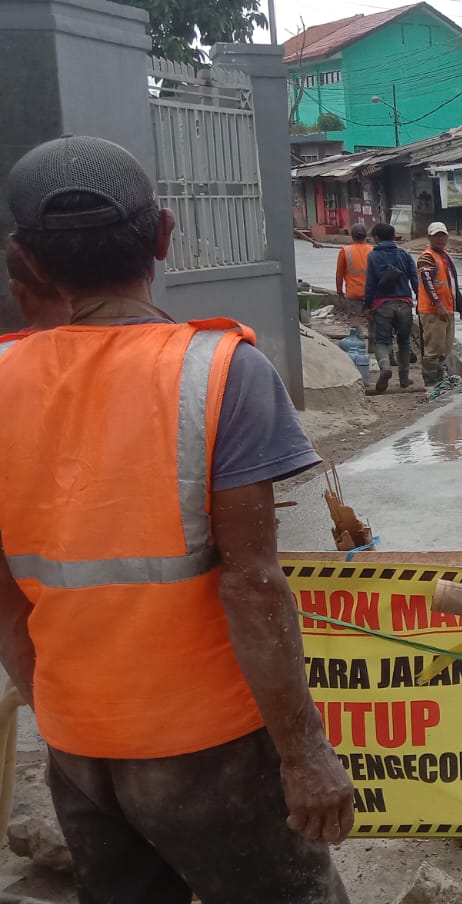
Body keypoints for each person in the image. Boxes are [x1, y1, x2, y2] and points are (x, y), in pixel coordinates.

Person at [0, 135, 353, 902]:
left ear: (24, 256)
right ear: (163, 234)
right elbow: (254, 585)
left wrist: (53, 713)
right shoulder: (219, 372)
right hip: (206, 748)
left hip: (78, 748)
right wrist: (304, 755)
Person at [363, 221, 417, 394]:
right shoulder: (405, 254)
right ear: (394, 236)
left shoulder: (373, 256)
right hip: (404, 304)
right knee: (404, 341)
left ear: (376, 238)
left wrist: (368, 306)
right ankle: (404, 379)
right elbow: (415, 279)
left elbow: (370, 284)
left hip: (383, 304)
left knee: (382, 341)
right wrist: (420, 300)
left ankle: (385, 367)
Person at [417, 222, 462, 386]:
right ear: (429, 237)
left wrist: (460, 306)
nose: (440, 238)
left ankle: (439, 380)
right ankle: (431, 383)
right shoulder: (427, 257)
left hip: (447, 310)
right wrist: (438, 305)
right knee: (434, 349)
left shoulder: (445, 256)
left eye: (443, 235)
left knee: (444, 349)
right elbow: (427, 282)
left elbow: (452, 283)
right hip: (433, 311)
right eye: (436, 235)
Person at [334, 222, 371, 313]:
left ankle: (356, 326)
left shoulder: (345, 250)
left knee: (355, 321)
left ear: (352, 235)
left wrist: (339, 291)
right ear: (366, 235)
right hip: (370, 292)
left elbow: (339, 274)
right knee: (372, 320)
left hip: (353, 293)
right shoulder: (372, 250)